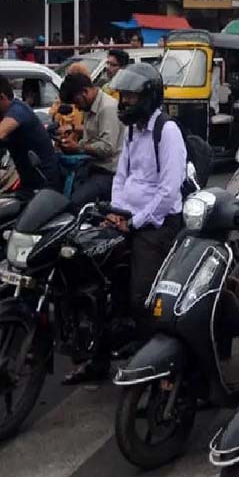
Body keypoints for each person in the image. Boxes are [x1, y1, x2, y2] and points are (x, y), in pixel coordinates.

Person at [62, 65, 184, 384]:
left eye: (131, 97)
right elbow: (121, 176)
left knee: (140, 296)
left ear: (149, 97)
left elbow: (169, 190)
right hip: (126, 218)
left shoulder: (167, 131)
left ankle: (155, 368)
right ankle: (97, 359)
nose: (124, 102)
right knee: (96, 282)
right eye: (123, 96)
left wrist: (136, 221)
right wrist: (117, 212)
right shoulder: (132, 130)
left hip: (157, 224)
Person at [58, 72, 124, 208]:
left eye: (77, 102)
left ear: (85, 92)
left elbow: (107, 148)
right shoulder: (90, 107)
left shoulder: (107, 108)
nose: (77, 107)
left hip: (109, 173)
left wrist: (78, 147)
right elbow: (92, 135)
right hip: (92, 166)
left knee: (74, 203)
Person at [0, 75, 59, 191]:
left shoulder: (18, 110)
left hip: (44, 186)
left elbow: (1, 132)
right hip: (28, 183)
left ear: (1, 97)